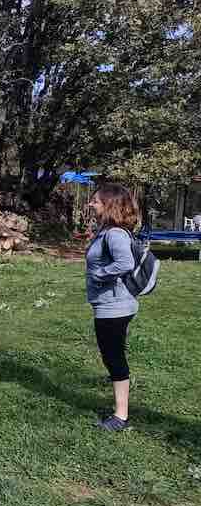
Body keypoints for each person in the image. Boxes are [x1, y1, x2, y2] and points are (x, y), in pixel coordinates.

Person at [86, 183, 141, 431]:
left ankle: (121, 416)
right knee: (112, 356)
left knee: (114, 358)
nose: (91, 204)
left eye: (95, 201)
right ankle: (121, 410)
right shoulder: (107, 230)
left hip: (115, 306)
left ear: (108, 205)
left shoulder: (114, 233)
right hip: (111, 305)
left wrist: (100, 274)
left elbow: (125, 263)